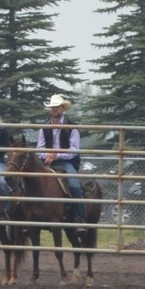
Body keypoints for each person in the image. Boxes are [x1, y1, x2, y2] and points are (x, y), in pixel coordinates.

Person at [38, 93, 86, 230]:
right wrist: (46, 155)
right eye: (53, 107)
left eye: (57, 107)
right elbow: (39, 148)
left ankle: (80, 218)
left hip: (66, 162)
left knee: (75, 186)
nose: (55, 109)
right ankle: (27, 216)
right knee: (28, 181)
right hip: (47, 161)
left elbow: (73, 150)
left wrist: (56, 155)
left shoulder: (72, 127)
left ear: (62, 108)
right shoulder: (44, 127)